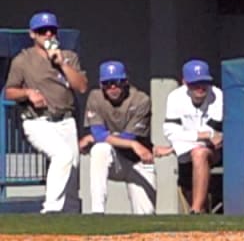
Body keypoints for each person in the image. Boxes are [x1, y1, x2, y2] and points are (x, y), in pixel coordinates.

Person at [3, 11, 88, 213]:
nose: (48, 34)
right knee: (63, 155)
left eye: (52, 30)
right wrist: (28, 93)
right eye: (42, 31)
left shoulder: (69, 56)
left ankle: (70, 217)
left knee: (72, 173)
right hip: (38, 121)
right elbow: (9, 92)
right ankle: (50, 210)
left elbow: (82, 86)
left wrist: (61, 63)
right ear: (33, 34)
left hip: (66, 120)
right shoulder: (23, 60)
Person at [81, 61, 156, 215]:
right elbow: (100, 135)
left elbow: (128, 136)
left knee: (146, 215)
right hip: (115, 160)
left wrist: (101, 137)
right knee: (100, 149)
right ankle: (98, 211)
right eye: (107, 84)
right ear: (101, 85)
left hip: (139, 161)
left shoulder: (141, 99)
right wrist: (131, 144)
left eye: (117, 82)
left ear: (125, 82)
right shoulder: (95, 97)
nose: (113, 88)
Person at [163, 59, 223, 214]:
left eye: (204, 82)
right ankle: (198, 209)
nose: (200, 88)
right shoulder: (175, 97)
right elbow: (170, 132)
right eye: (194, 83)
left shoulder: (217, 96)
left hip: (214, 152)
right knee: (193, 155)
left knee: (199, 152)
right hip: (183, 152)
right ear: (185, 82)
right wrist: (202, 135)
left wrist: (176, 145)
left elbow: (214, 137)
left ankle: (196, 210)